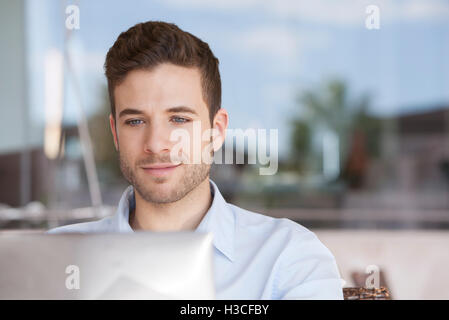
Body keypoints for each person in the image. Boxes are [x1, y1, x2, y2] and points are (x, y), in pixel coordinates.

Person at [48, 21, 343, 300]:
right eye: (136, 121)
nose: (156, 144)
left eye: (178, 119)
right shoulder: (55, 257)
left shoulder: (288, 258)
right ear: (115, 133)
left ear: (216, 131)